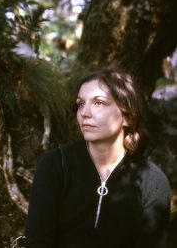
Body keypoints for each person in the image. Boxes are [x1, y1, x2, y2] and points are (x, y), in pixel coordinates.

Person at [25, 68, 171, 248]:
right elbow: (37, 242)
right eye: (81, 104)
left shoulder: (153, 182)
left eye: (99, 103)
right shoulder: (56, 164)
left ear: (127, 116)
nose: (85, 113)